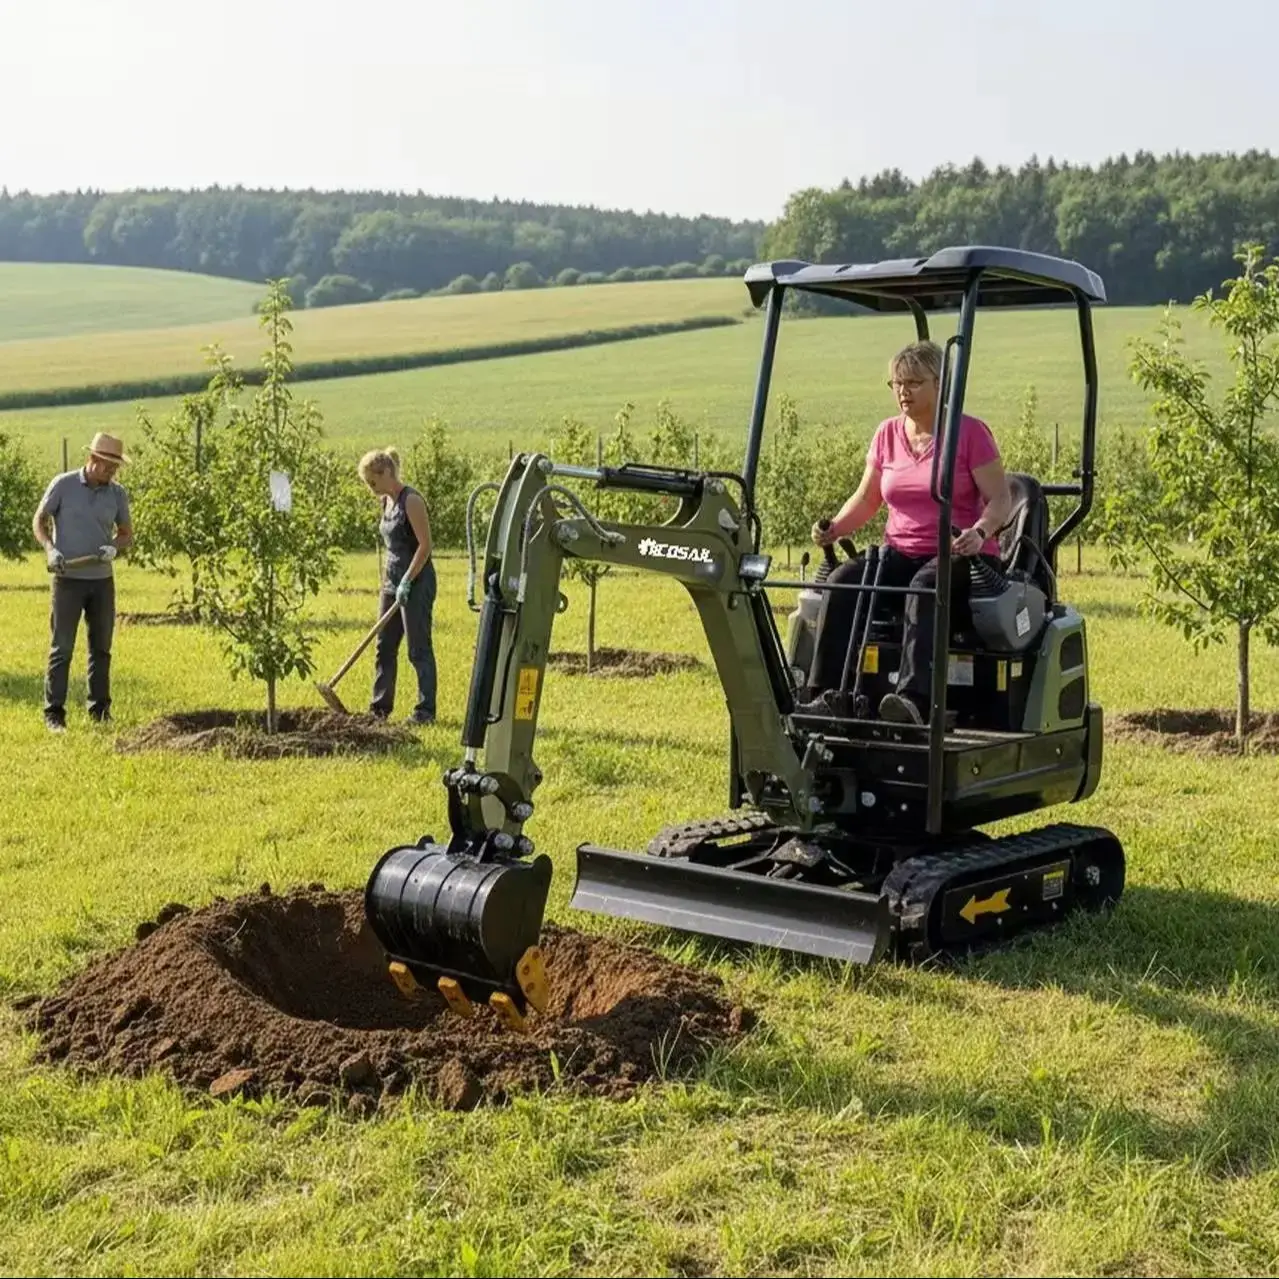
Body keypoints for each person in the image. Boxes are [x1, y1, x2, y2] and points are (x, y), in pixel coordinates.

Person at [804, 340, 1012, 726]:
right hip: (900, 550)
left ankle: (913, 701)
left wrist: (980, 532)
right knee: (843, 581)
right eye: (897, 383)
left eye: (913, 382)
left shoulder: (969, 433)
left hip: (962, 553)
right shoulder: (886, 434)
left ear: (939, 384)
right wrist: (834, 528)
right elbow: (867, 499)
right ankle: (825, 695)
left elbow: (1001, 499)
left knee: (924, 585)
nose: (903, 391)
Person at [31, 432, 134, 732]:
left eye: (115, 468)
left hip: (101, 582)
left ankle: (99, 711)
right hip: (68, 581)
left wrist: (115, 545)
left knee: (101, 648)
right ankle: (54, 714)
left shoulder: (117, 494)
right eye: (108, 467)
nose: (111, 473)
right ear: (93, 459)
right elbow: (39, 520)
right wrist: (51, 549)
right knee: (61, 648)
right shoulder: (63, 485)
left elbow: (126, 533)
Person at [358, 447, 437, 725]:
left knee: (418, 648)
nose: (371, 488)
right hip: (392, 583)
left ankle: (425, 711)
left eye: (373, 482)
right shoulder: (386, 502)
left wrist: (407, 580)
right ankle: (379, 710)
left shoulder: (411, 501)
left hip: (417, 582)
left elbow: (425, 546)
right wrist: (391, 582)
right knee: (384, 646)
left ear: (387, 473)